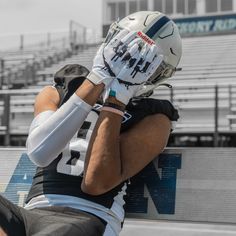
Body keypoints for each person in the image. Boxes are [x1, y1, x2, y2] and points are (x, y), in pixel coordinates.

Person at [0, 11, 182, 236]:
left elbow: (96, 183)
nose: (128, 63)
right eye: (123, 51)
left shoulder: (154, 118)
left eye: (145, 62)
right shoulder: (59, 91)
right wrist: (98, 75)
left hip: (87, 217)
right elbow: (39, 152)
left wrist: (117, 100)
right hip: (29, 213)